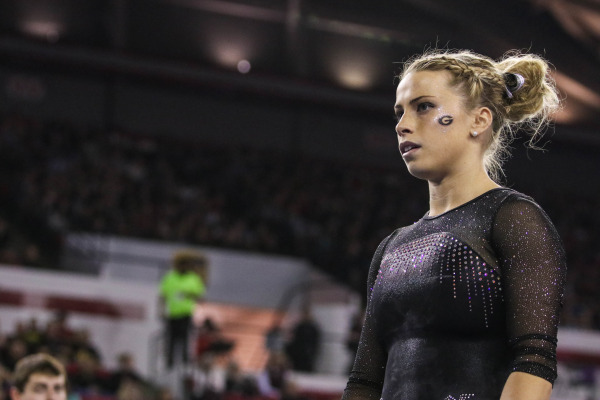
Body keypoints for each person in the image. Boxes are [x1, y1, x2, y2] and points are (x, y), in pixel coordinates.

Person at [342, 49, 567, 400]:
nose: (402, 124)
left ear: (479, 120)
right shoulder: (391, 248)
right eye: (400, 111)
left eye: (424, 106)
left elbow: (534, 362)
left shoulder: (512, 219)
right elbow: (364, 382)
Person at [159, 249, 208, 369]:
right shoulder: (169, 277)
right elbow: (163, 295)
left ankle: (185, 367)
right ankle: (169, 366)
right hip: (172, 315)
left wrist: (188, 294)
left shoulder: (193, 278)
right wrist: (161, 310)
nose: (184, 266)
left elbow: (200, 296)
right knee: (170, 342)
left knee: (185, 342)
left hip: (185, 315)